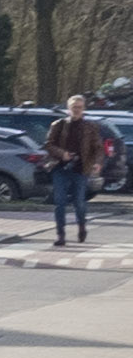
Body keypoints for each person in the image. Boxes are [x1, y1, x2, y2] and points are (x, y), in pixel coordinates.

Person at [54, 89, 108, 244]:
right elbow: (49, 144)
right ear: (68, 109)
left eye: (79, 107)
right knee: (60, 201)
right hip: (61, 167)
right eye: (74, 107)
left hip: (81, 168)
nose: (76, 110)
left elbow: (98, 147)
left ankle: (82, 226)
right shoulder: (59, 125)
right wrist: (61, 153)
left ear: (83, 109)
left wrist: (97, 162)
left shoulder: (90, 127)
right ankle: (61, 235)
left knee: (79, 202)